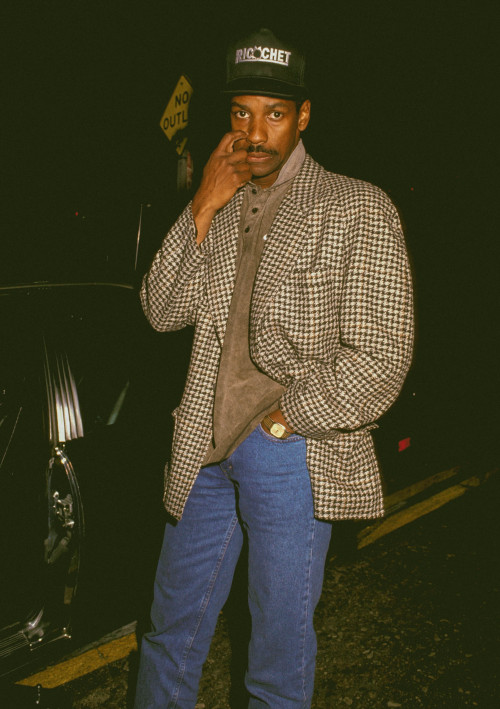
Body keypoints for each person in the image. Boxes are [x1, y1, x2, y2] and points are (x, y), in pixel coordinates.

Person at [134, 27, 414, 709]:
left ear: (304, 115)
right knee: (169, 635)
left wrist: (287, 419)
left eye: (275, 113)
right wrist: (202, 203)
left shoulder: (357, 207)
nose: (255, 131)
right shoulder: (222, 204)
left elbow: (383, 355)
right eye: (241, 112)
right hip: (203, 448)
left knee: (275, 659)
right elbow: (161, 309)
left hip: (290, 457)